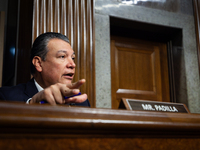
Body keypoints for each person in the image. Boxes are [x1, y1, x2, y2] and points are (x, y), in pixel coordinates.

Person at [0, 32, 90, 107]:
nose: (72, 65)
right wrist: (32, 104)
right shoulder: (6, 97)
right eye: (62, 56)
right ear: (39, 63)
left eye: (73, 58)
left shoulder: (81, 102)